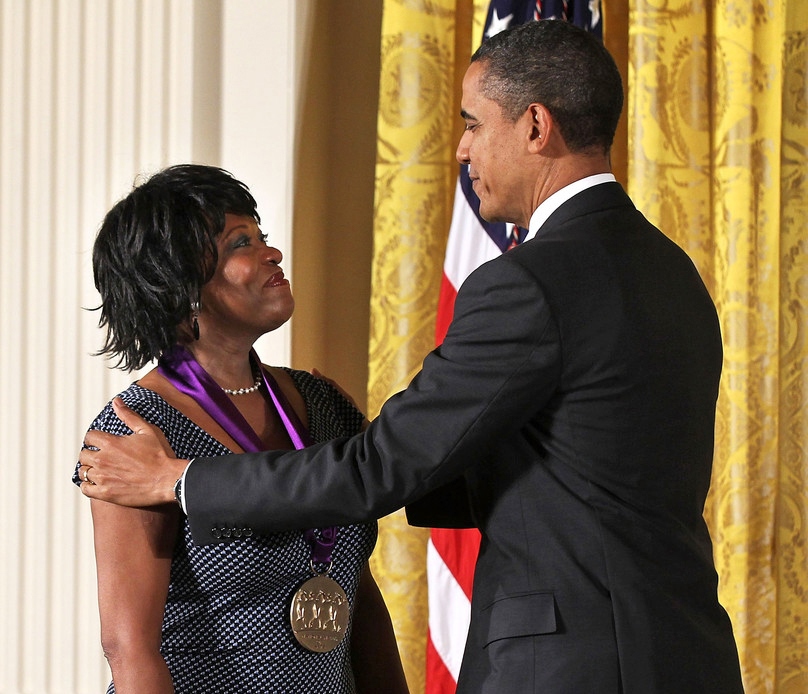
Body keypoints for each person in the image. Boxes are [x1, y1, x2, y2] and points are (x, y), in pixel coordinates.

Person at [79, 21, 745, 693]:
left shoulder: (532, 281)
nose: (462, 149)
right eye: (238, 244)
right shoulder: (673, 273)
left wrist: (185, 481)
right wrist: (377, 449)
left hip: (570, 668)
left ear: (536, 126)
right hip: (684, 652)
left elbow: (382, 474)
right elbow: (567, 465)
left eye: (473, 124)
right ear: (176, 282)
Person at [73, 164, 408, 694]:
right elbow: (129, 649)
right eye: (240, 243)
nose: (272, 253)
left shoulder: (323, 403)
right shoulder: (135, 432)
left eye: (262, 236)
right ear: (181, 285)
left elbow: (357, 593)